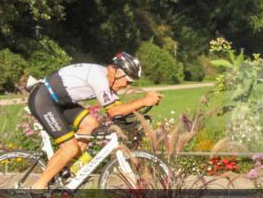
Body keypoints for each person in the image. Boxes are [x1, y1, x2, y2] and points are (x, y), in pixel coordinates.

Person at [27, 52, 162, 189]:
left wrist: (138, 112)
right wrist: (144, 101)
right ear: (118, 72)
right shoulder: (99, 79)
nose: (127, 86)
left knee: (91, 124)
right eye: (128, 81)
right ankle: (38, 187)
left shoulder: (107, 80)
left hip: (60, 102)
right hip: (44, 100)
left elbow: (119, 110)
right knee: (70, 148)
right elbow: (113, 111)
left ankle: (63, 171)